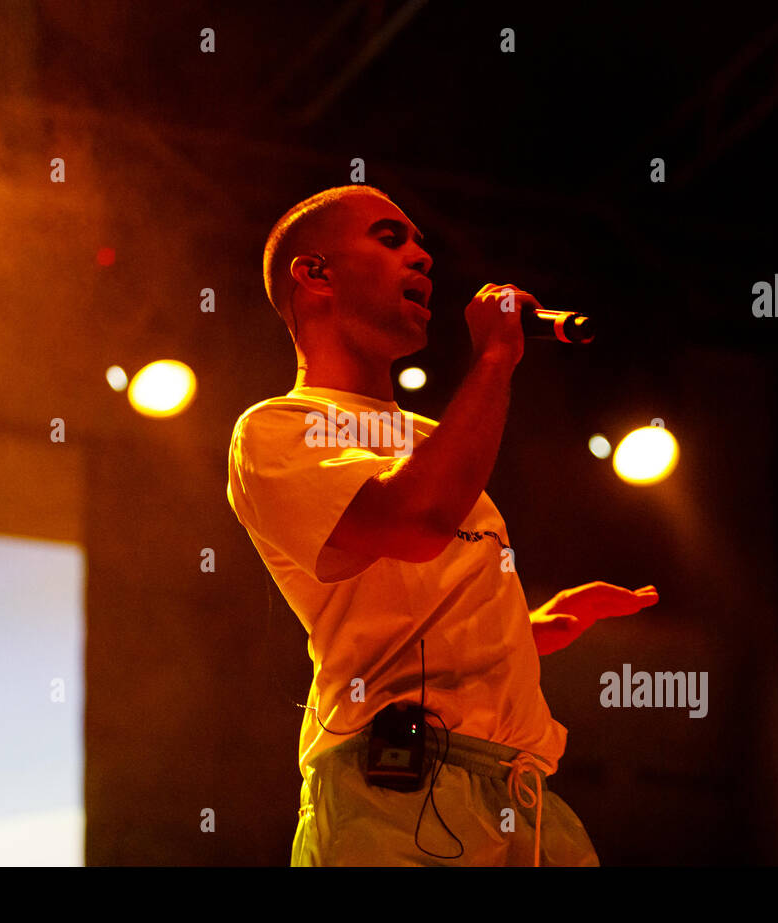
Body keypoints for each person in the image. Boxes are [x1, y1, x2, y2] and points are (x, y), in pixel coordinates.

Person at [226, 184, 658, 866]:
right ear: (314, 274)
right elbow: (418, 521)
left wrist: (532, 628)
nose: (423, 258)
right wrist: (494, 359)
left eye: (423, 244)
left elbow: (410, 604)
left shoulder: (433, 437)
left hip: (522, 791)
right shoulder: (276, 428)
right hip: (397, 788)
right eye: (391, 238)